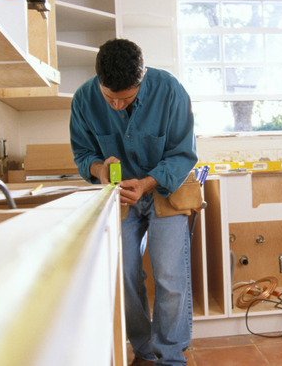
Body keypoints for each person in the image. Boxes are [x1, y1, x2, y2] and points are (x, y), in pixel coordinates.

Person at [69, 38, 198, 366]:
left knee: (169, 275)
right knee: (124, 275)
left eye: (125, 98)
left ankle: (169, 356)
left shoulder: (169, 92)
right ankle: (144, 352)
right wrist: (98, 169)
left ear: (141, 82)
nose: (115, 105)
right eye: (109, 97)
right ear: (99, 80)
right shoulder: (84, 98)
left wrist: (147, 183)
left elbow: (183, 154)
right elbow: (84, 155)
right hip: (119, 198)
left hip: (164, 192)